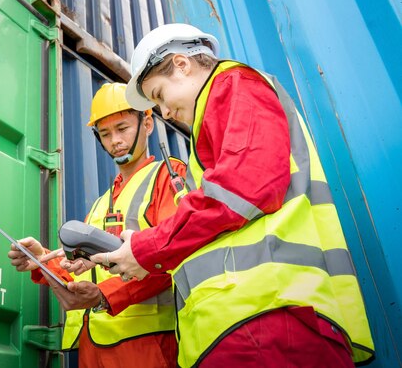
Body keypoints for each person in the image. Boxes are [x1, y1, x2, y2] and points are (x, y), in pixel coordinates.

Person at [91, 24, 375, 367]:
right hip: (248, 325)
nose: (164, 113)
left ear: (181, 65)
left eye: (161, 96)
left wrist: (146, 248)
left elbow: (243, 187)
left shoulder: (233, 85)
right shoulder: (215, 122)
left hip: (264, 320)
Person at [7, 82, 186, 368]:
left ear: (148, 123)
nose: (115, 141)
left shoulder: (168, 176)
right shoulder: (100, 204)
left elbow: (176, 256)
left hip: (148, 349)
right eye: (105, 133)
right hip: (93, 351)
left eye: (122, 128)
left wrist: (104, 296)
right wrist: (42, 261)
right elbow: (85, 279)